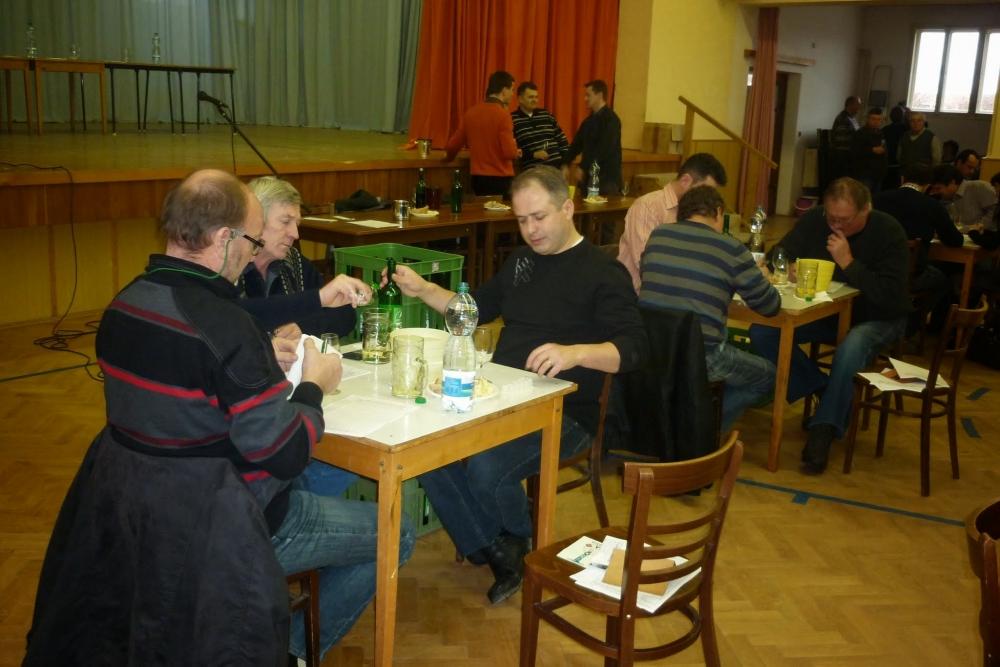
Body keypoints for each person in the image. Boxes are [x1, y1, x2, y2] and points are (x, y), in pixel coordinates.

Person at [30, 170, 414, 663]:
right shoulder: (225, 327)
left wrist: (257, 361)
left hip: (134, 523)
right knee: (396, 530)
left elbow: (181, 394)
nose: (252, 256)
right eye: (251, 242)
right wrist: (315, 386)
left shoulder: (124, 306)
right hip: (224, 528)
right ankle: (292, 649)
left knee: (325, 478)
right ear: (224, 238)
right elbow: (283, 452)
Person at [389, 165, 647, 604]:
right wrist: (423, 289)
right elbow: (473, 309)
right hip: (502, 399)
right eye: (522, 220)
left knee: (487, 469)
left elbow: (634, 349)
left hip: (567, 412)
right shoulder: (522, 262)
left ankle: (508, 544)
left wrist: (575, 353)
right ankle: (498, 547)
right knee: (424, 452)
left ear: (568, 208)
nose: (530, 230)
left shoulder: (604, 272)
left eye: (539, 217)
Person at [749, 178, 909, 475]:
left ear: (866, 210)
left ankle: (823, 429)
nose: (836, 225)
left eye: (844, 220)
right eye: (831, 217)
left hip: (877, 317)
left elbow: (890, 296)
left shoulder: (889, 231)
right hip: (827, 312)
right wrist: (787, 266)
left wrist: (848, 263)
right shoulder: (815, 220)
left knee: (851, 347)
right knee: (764, 331)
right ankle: (825, 389)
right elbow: (778, 255)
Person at [243, 175, 363, 498]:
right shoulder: (231, 270)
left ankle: (292, 495)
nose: (295, 234)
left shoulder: (293, 264)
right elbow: (236, 316)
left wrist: (300, 322)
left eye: (296, 223)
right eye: (285, 222)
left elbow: (344, 315)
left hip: (297, 398)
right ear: (255, 221)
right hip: (256, 417)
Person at [639, 185, 780, 431]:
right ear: (718, 212)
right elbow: (770, 306)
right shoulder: (731, 248)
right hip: (701, 355)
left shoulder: (658, 235)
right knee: (767, 375)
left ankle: (685, 421)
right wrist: (760, 277)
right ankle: (703, 431)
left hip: (651, 349)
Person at [616, 152, 728, 292]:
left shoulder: (700, 213)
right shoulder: (648, 206)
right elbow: (647, 265)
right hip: (637, 295)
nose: (709, 197)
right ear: (685, 181)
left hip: (678, 292)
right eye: (705, 190)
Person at [873, 163, 962, 332]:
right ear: (928, 186)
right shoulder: (931, 205)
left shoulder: (877, 199)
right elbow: (955, 240)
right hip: (910, 275)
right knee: (943, 280)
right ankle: (912, 324)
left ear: (902, 179)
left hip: (874, 270)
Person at [444, 70, 521, 196]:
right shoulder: (503, 115)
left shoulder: (471, 113)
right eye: (512, 90)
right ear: (504, 90)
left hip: (478, 179)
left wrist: (448, 159)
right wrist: (515, 151)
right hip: (500, 178)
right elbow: (509, 152)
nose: (513, 94)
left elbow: (453, 146)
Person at [563, 79, 622, 196]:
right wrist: (565, 163)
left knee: (603, 207)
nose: (585, 98)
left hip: (606, 179)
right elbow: (576, 145)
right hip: (588, 177)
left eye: (588, 95)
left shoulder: (611, 120)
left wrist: (583, 167)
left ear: (599, 95)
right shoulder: (588, 121)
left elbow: (604, 149)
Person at [511, 81, 569, 170]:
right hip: (534, 170)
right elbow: (513, 150)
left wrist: (566, 164)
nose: (535, 100)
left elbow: (562, 140)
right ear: (520, 99)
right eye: (531, 97)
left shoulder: (546, 114)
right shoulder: (512, 119)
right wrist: (533, 154)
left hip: (557, 168)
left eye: (536, 97)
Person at [930, 164, 998, 232]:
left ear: (952, 182)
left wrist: (978, 226)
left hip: (984, 235)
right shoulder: (944, 199)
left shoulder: (980, 187)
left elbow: (994, 212)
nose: (936, 192)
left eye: (938, 188)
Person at [850, 107, 888, 195]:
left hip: (878, 173)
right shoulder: (859, 134)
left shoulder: (881, 133)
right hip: (864, 174)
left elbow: (884, 151)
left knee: (875, 199)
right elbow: (854, 152)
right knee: (863, 197)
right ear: (868, 119)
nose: (876, 122)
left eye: (879, 119)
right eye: (873, 119)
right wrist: (872, 150)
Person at [829, 96, 861, 181]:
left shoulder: (852, 118)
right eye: (858, 104)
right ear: (850, 105)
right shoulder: (843, 118)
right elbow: (843, 140)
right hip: (842, 156)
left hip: (849, 156)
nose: (859, 108)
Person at [881, 104, 908, 190]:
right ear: (903, 117)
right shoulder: (907, 131)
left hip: (887, 163)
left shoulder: (884, 130)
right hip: (901, 165)